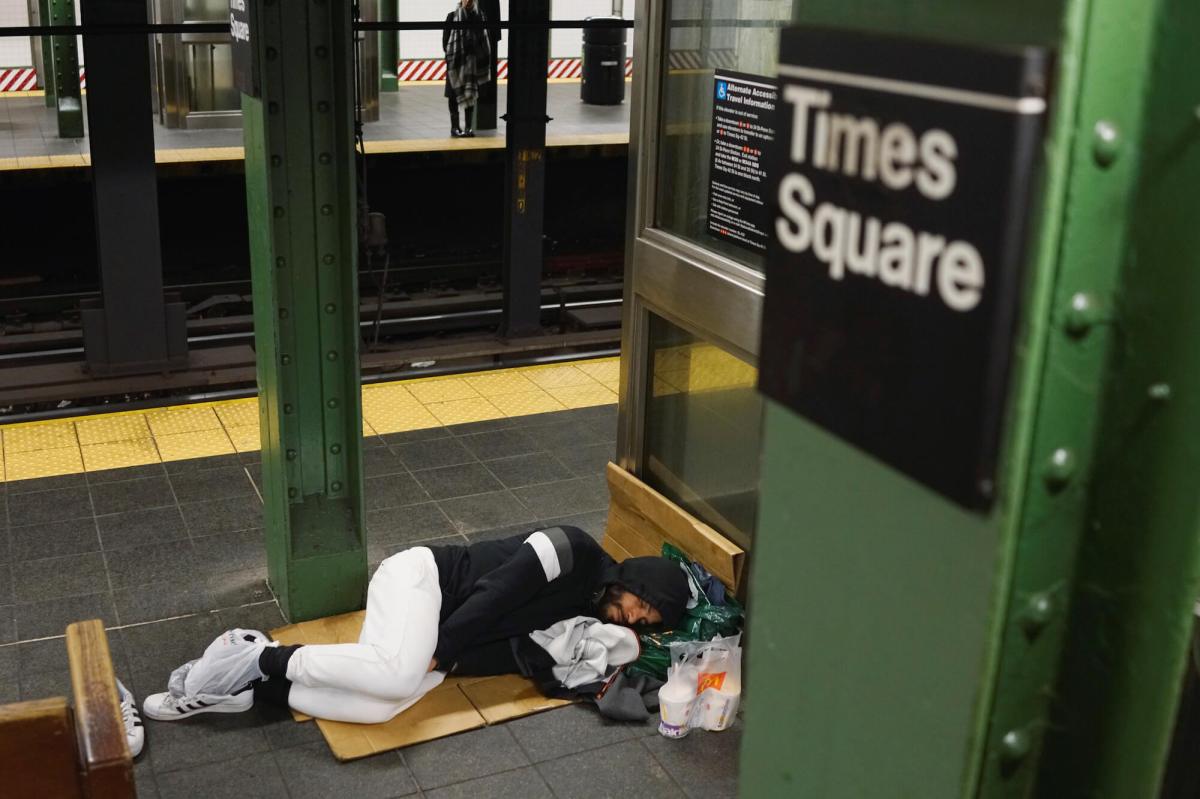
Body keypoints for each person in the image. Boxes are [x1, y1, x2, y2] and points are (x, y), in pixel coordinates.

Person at [141, 526, 690, 725]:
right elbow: (495, 592)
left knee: (379, 707)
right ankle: (254, 653)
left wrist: (447, 657)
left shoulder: (586, 615)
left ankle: (262, 686)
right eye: (644, 603)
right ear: (634, 579)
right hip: (421, 579)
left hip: (441, 636)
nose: (638, 618)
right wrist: (440, 650)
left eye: (650, 621)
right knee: (400, 675)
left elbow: (518, 649)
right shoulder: (570, 547)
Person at [443, 0, 492, 138]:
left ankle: (469, 127)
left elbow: (484, 39)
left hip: (471, 63)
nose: (468, 1)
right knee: (453, 96)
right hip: (455, 64)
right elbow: (445, 41)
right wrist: (453, 55)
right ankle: (455, 127)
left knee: (470, 95)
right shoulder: (451, 17)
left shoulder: (480, 17)